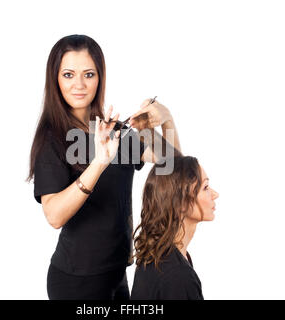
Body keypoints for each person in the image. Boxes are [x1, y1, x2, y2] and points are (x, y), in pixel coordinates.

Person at [26, 34, 181, 300]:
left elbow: (174, 163)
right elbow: (54, 216)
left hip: (118, 273)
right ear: (55, 79)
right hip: (77, 281)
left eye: (88, 74)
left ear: (100, 77)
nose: (79, 85)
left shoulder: (115, 130)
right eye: (68, 75)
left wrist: (166, 119)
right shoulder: (52, 139)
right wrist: (99, 162)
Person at [131, 156, 219, 300]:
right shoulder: (177, 276)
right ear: (181, 202)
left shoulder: (158, 254)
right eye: (205, 187)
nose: (215, 194)